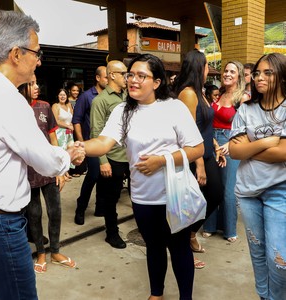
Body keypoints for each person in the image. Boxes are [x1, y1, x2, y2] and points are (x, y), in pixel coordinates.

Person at [82, 53, 204, 300]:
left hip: (174, 194)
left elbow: (197, 148)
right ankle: (156, 294)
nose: (133, 81)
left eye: (141, 76)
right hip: (142, 196)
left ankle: (186, 297)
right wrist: (80, 148)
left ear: (157, 82)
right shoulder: (122, 111)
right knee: (154, 247)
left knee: (179, 248)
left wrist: (163, 160)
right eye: (130, 75)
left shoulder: (174, 108)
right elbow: (104, 143)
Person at [0, 10, 84, 299]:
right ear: (16, 54)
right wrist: (69, 155)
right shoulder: (6, 97)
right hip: (0, 222)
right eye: (36, 52)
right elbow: (44, 159)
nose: (39, 60)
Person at [229, 53, 286, 300]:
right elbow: (234, 151)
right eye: (257, 72)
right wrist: (266, 142)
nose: (259, 77)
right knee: (258, 251)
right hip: (248, 191)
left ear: (282, 76)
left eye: (268, 72)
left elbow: (284, 153)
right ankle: (264, 296)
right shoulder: (247, 109)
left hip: (280, 190)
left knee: (280, 259)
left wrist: (250, 148)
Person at [171, 49, 225, 269]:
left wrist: (215, 146)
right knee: (190, 205)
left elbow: (206, 125)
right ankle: (183, 248)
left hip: (207, 151)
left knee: (215, 195)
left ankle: (191, 234)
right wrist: (200, 164)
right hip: (195, 157)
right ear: (198, 68)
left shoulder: (200, 92)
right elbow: (189, 132)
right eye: (206, 66)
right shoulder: (188, 94)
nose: (208, 70)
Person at [19, 75, 76, 273]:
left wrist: (60, 168)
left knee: (55, 211)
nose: (36, 87)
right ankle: (41, 253)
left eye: (37, 83)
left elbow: (53, 137)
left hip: (49, 170)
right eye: (31, 83)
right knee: (34, 215)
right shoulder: (16, 108)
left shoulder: (44, 106)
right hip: (28, 172)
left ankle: (55, 251)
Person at [202, 61, 245, 242]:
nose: (227, 74)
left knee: (228, 188)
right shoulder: (219, 95)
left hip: (229, 143)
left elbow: (247, 127)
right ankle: (210, 225)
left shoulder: (242, 98)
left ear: (239, 76)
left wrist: (232, 143)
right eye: (225, 71)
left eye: (232, 72)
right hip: (212, 142)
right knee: (213, 185)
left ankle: (229, 229)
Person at [90, 60, 130, 249]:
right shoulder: (101, 101)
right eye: (124, 74)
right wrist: (103, 161)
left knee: (137, 195)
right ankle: (111, 233)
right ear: (112, 75)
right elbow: (96, 132)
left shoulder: (129, 96)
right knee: (111, 198)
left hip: (131, 156)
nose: (127, 77)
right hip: (113, 158)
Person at [72, 66, 108, 224]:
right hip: (91, 144)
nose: (109, 80)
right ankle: (80, 208)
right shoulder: (86, 96)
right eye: (106, 77)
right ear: (98, 78)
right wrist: (83, 145)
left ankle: (100, 207)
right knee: (93, 175)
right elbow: (77, 121)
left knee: (104, 177)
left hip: (107, 144)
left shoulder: (110, 96)